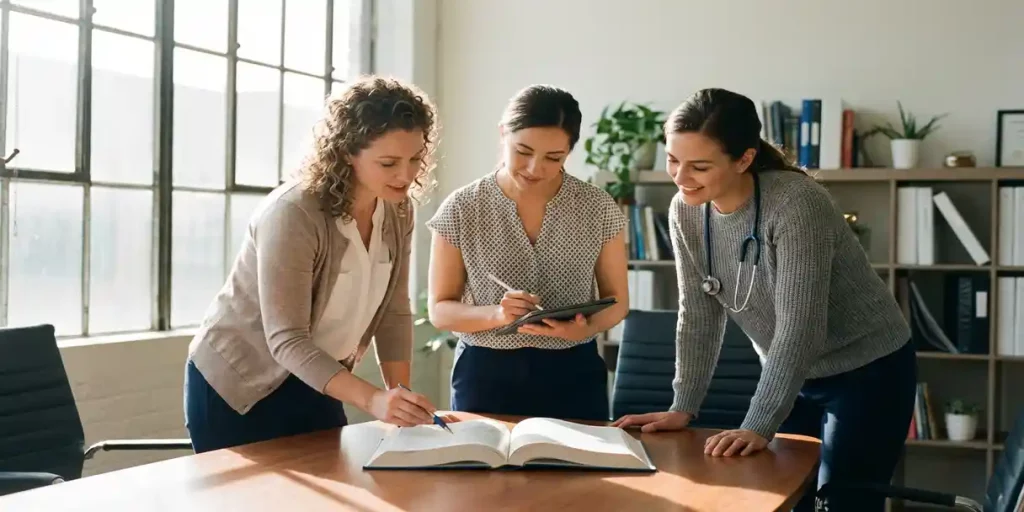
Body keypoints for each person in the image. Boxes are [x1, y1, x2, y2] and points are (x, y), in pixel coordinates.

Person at [611, 88, 916, 512]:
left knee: (841, 503)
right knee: (780, 497)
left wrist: (757, 425)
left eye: (699, 166)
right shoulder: (685, 210)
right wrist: (684, 405)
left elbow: (800, 327)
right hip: (792, 374)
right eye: (673, 160)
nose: (680, 178)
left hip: (867, 372)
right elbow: (698, 314)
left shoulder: (796, 203)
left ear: (744, 159)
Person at [183, 76, 442, 453]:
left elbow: (394, 312)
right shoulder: (294, 213)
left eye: (416, 159)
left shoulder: (399, 209)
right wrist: (371, 401)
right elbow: (286, 338)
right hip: (240, 386)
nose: (406, 175)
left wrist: (399, 397)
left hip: (318, 375)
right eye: (389, 163)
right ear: (347, 152)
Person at [426, 84, 629, 422]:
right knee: (486, 472)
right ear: (503, 133)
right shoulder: (462, 207)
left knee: (581, 473)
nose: (536, 168)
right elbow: (440, 311)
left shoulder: (598, 207)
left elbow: (617, 302)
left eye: (554, 158)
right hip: (485, 373)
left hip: (574, 371)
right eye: (523, 151)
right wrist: (496, 315)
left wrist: (583, 329)